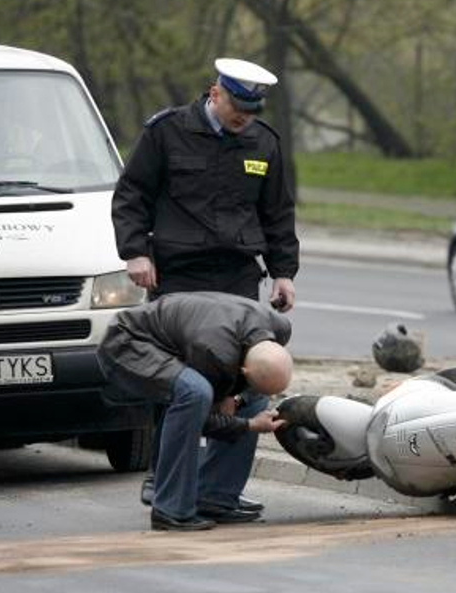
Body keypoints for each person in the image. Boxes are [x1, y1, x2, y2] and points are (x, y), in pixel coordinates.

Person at [110, 57, 300, 509]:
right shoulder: (167, 132)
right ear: (215, 94)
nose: (244, 120)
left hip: (236, 275)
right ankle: (163, 479)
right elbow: (131, 195)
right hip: (180, 274)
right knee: (182, 383)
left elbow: (278, 213)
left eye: (252, 112)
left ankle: (216, 491)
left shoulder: (262, 141)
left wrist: (284, 272)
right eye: (238, 110)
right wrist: (135, 251)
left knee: (243, 383)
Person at [98, 292, 292, 531]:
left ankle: (215, 499)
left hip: (186, 341)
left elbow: (243, 389)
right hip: (128, 342)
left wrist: (238, 397)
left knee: (255, 399)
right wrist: (251, 425)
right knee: (194, 393)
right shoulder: (214, 353)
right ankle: (170, 509)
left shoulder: (280, 329)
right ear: (243, 370)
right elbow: (202, 422)